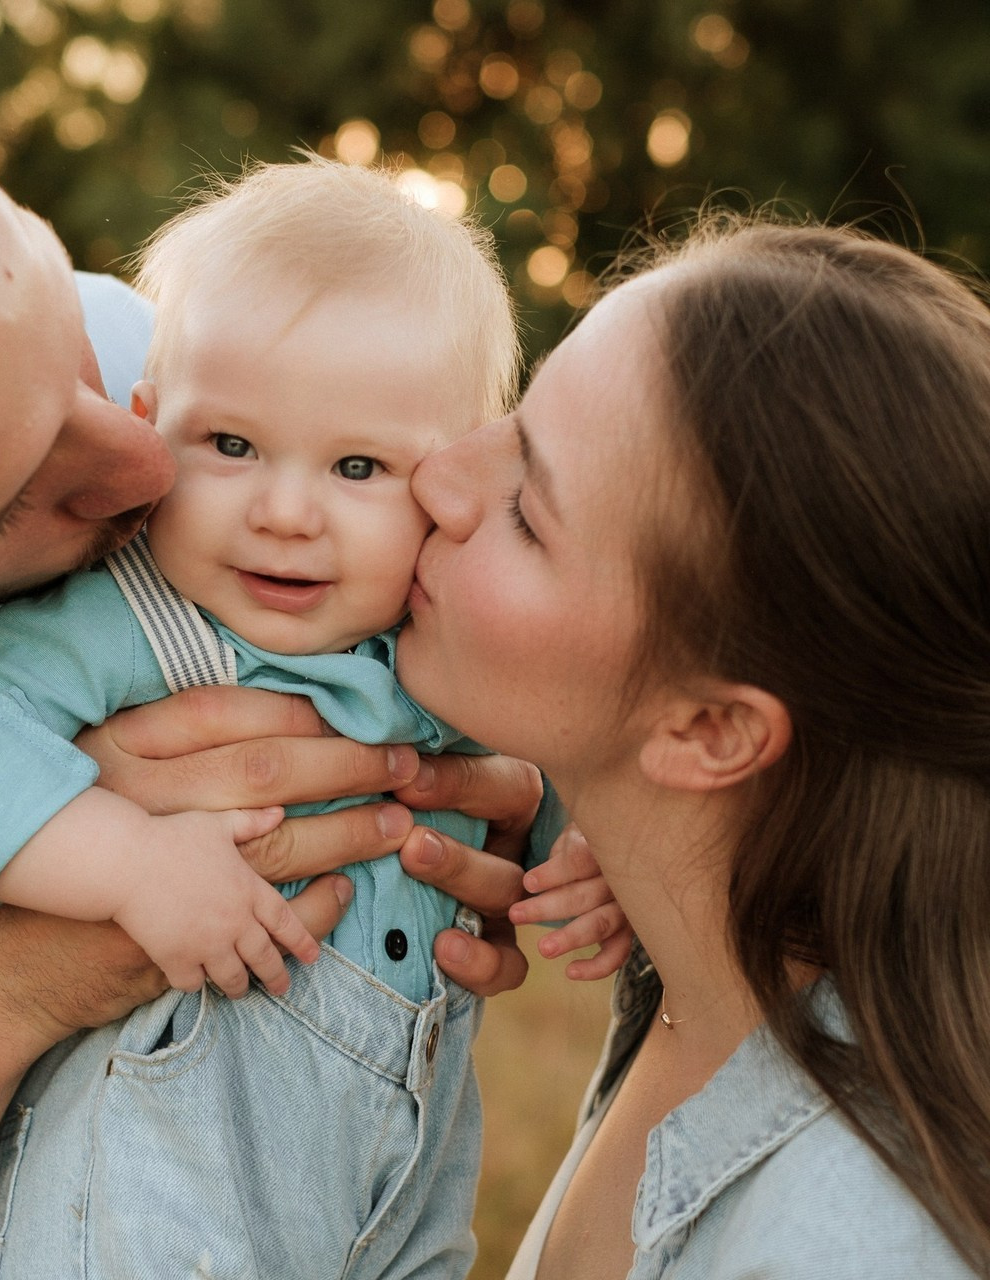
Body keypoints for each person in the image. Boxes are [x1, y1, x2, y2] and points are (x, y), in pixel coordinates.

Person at [0, 26, 539, 1280]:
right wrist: (12, 965)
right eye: (2, 491)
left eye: (87, 353)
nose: (142, 469)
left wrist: (535, 817)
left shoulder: (197, 352)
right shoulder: (113, 622)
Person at [0, 158, 625, 1278]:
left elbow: (549, 768)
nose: (282, 512)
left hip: (402, 1184)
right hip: (154, 1195)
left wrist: (583, 851)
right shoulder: (132, 623)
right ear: (147, 421)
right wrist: (124, 861)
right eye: (229, 445)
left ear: (450, 473)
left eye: (357, 465)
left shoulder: (445, 646)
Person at [393, 218, 990, 1276]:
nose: (437, 477)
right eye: (511, 415)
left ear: (709, 731)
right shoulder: (699, 983)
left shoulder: (847, 1245)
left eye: (526, 512)